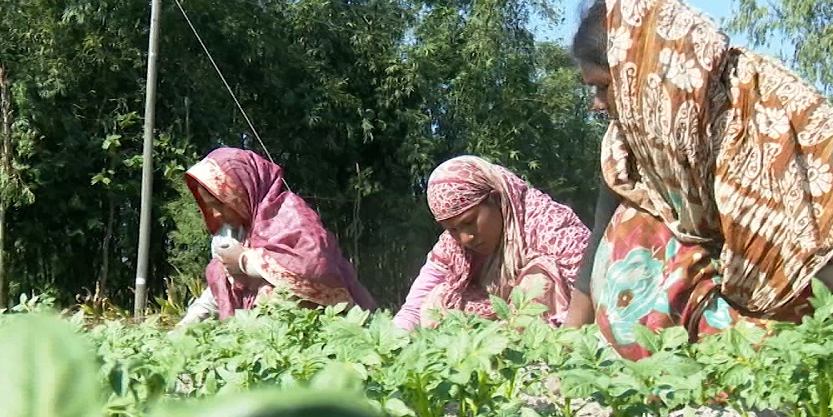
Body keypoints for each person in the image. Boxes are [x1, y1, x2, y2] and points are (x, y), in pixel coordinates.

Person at [565, 0, 833, 359]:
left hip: (793, 303)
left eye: (603, 88)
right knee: (632, 226)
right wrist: (565, 345)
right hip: (704, 317)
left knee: (804, 357)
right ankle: (668, 372)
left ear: (643, 76)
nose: (597, 105)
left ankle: (800, 363)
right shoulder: (631, 140)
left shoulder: (770, 101)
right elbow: (599, 235)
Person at [177, 147, 374, 324]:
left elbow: (315, 267)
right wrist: (187, 324)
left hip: (318, 329)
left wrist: (245, 261)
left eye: (220, 204)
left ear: (242, 191)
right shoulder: (238, 232)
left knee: (272, 293)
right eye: (210, 207)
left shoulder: (289, 214)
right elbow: (220, 285)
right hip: (265, 336)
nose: (216, 215)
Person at [394, 156, 591, 330]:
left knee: (539, 279)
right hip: (497, 335)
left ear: (496, 199)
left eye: (469, 222)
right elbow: (414, 307)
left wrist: (566, 334)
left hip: (558, 331)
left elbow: (598, 290)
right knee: (438, 299)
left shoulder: (550, 224)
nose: (465, 238)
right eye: (452, 229)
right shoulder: (453, 246)